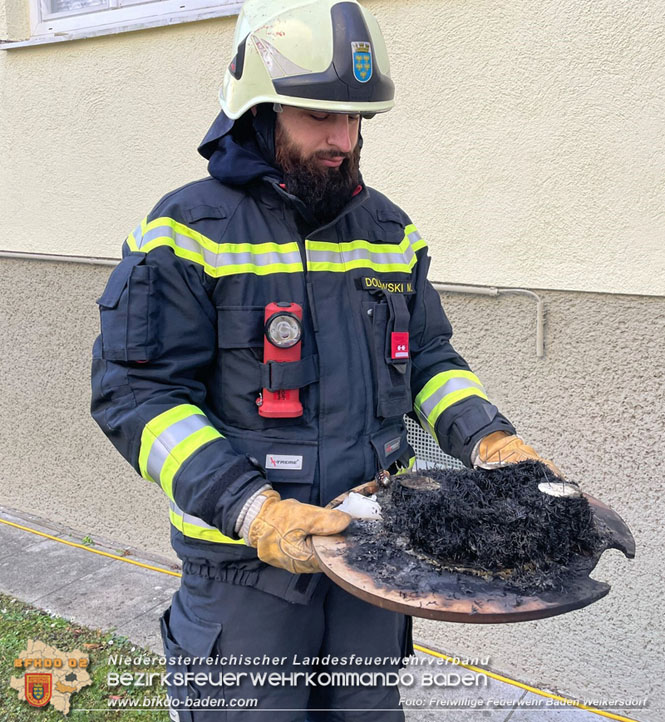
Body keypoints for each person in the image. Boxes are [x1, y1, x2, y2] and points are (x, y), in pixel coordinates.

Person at [91, 1, 562, 719]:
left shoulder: (388, 231)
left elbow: (429, 357)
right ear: (258, 111)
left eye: (354, 119)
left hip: (375, 553)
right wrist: (255, 511)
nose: (340, 138)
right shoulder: (185, 232)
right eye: (318, 116)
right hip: (245, 571)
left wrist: (487, 439)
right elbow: (136, 394)